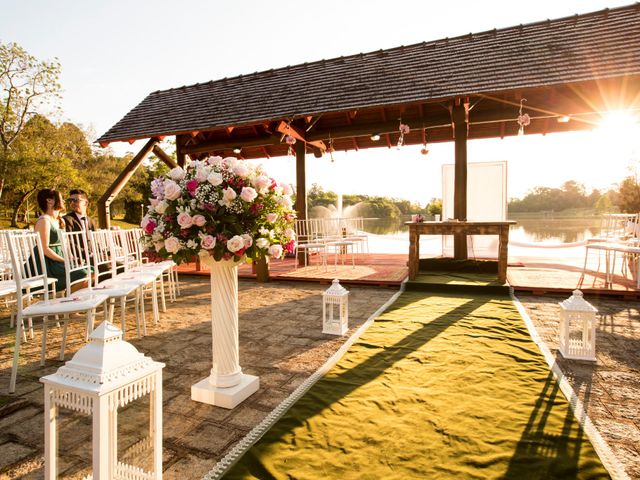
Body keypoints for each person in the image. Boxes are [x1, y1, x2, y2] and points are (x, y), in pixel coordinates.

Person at [34, 189, 87, 292]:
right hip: (48, 264)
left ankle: (70, 299)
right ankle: (67, 300)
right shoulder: (44, 221)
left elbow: (65, 244)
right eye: (60, 198)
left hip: (60, 259)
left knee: (91, 270)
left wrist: (72, 258)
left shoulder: (60, 220)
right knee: (83, 273)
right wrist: (65, 261)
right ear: (49, 201)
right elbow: (44, 249)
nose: (64, 201)